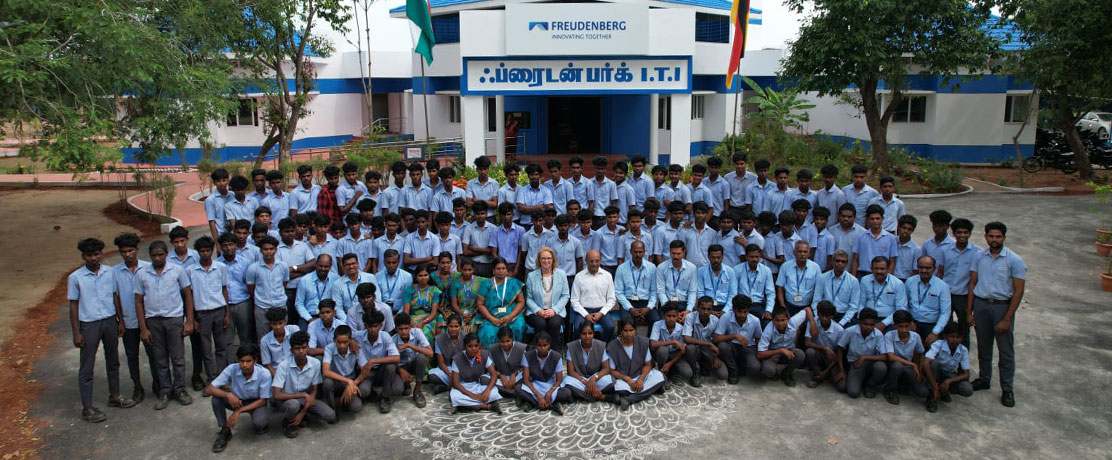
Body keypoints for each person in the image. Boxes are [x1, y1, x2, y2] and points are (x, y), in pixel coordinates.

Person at [69, 238, 137, 423]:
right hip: (89, 323)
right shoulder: (76, 278)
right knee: (87, 366)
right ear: (83, 256)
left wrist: (120, 320)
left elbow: (115, 296)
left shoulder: (110, 273)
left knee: (113, 360)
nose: (93, 258)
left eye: (96, 254)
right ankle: (87, 407)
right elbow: (73, 305)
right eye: (89, 255)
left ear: (102, 254)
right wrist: (76, 332)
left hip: (109, 321)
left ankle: (114, 395)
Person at [967, 221, 1026, 408]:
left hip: (1002, 308)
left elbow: (1018, 291)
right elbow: (972, 284)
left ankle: (1007, 389)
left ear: (1004, 238)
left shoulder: (1014, 260)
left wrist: (1007, 318)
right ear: (985, 237)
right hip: (982, 305)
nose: (994, 240)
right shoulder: (979, 256)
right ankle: (984, 379)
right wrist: (969, 311)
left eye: (998, 236)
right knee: (984, 347)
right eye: (991, 236)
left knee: (1005, 351)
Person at [134, 241, 195, 410]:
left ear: (166, 254)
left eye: (161, 254)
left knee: (178, 357)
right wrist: (143, 328)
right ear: (150, 256)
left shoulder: (177, 271)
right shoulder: (142, 274)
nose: (157, 258)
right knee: (160, 359)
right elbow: (138, 301)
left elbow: (187, 295)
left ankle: (180, 389)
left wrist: (189, 321)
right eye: (154, 255)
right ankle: (165, 391)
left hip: (174, 319)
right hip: (153, 321)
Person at [113, 233, 157, 404]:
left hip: (148, 320)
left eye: (130, 250)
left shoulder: (148, 268)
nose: (128, 254)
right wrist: (120, 321)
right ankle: (137, 386)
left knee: (154, 354)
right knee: (132, 356)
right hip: (128, 321)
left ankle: (158, 383)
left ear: (137, 250)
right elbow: (115, 297)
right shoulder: (115, 272)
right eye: (123, 251)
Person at [205, 344, 271, 452]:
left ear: (255, 360)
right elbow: (209, 389)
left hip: (256, 402)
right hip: (237, 400)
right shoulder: (232, 368)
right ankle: (225, 431)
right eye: (241, 361)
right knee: (216, 399)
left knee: (260, 424)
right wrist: (228, 395)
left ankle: (259, 422)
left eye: (248, 361)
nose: (244, 365)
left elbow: (263, 400)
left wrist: (238, 411)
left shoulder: (264, 374)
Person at [272, 331, 335, 438]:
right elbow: (277, 395)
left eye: (304, 347)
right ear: (291, 350)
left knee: (330, 415)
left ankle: (302, 414)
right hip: (287, 399)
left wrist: (303, 411)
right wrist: (303, 395)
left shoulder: (315, 363)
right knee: (293, 405)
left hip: (305, 399)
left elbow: (315, 389)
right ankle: (287, 423)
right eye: (297, 348)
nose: (301, 351)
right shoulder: (283, 365)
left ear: (308, 348)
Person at [188, 236, 231, 389]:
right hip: (202, 314)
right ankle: (211, 380)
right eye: (202, 251)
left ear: (212, 251)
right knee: (206, 349)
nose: (205, 254)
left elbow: (224, 290)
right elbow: (190, 296)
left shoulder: (220, 267)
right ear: (198, 252)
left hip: (219, 311)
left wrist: (227, 313)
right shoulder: (191, 270)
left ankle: (221, 378)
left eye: (208, 250)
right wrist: (193, 319)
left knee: (221, 346)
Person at [939, 218, 981, 347]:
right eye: (959, 232)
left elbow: (976, 279)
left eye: (965, 232)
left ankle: (962, 363)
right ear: (953, 233)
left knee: (963, 329)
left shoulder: (977, 253)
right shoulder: (945, 250)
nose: (962, 236)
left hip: (963, 296)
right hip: (946, 294)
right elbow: (940, 272)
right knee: (944, 326)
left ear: (970, 233)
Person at [607, 320, 665, 411]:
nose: (629, 334)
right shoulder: (612, 346)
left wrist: (641, 379)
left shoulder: (642, 342)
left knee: (659, 376)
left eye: (631, 330)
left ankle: (629, 399)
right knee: (615, 386)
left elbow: (648, 365)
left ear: (635, 331)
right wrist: (628, 379)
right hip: (623, 379)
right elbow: (612, 370)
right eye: (625, 331)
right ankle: (651, 390)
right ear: (620, 331)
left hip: (640, 376)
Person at [353, 309, 403, 413]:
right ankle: (375, 392)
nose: (372, 329)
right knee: (363, 392)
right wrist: (350, 342)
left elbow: (396, 357)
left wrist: (373, 361)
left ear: (380, 325)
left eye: (375, 326)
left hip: (381, 371)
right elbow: (345, 336)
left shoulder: (385, 336)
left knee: (397, 387)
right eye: (369, 326)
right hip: (367, 372)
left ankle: (385, 397)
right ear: (365, 326)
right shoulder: (358, 335)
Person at [836, 307, 890, 399]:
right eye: (865, 324)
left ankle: (870, 385)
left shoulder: (878, 335)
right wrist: (841, 370)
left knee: (881, 367)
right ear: (859, 322)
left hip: (870, 363)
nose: (868, 327)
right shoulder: (850, 331)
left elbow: (885, 356)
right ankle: (860, 381)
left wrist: (864, 357)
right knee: (853, 392)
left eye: (871, 325)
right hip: (855, 364)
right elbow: (839, 348)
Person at [245, 236, 289, 344]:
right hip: (262, 307)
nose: (268, 252)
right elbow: (251, 288)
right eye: (265, 249)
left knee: (283, 335)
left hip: (280, 305)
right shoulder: (253, 268)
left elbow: (284, 283)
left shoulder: (283, 266)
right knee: (263, 337)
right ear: (261, 250)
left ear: (276, 250)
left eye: (271, 249)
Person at [923, 322, 975, 412]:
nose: (954, 340)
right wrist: (934, 386)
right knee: (934, 363)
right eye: (951, 336)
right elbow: (926, 363)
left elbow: (966, 374)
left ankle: (943, 391)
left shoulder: (963, 350)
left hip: (948, 375)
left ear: (962, 338)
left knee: (967, 389)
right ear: (945, 337)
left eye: (958, 337)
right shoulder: (938, 344)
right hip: (935, 374)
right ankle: (932, 397)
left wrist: (949, 381)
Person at [525, 247, 570, 349]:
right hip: (536, 311)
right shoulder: (531, 276)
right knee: (540, 323)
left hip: (555, 310)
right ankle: (539, 351)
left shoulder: (561, 274)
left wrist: (554, 310)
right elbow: (528, 298)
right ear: (539, 260)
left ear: (553, 260)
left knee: (554, 324)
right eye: (543, 258)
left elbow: (565, 295)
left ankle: (554, 353)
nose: (546, 261)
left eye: (549, 258)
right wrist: (538, 311)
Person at [448, 332, 503, 414]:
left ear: (479, 346)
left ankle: (461, 406)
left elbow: (494, 374)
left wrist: (487, 391)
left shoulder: (484, 355)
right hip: (464, 387)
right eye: (470, 346)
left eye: (476, 346)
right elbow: (456, 383)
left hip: (478, 386)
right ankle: (487, 406)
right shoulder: (457, 359)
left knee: (494, 392)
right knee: (455, 396)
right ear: (465, 346)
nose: (473, 349)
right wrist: (472, 395)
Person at [516, 332, 570, 415]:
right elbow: (526, 380)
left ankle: (531, 403)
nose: (542, 348)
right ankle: (551, 405)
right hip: (535, 385)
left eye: (545, 345)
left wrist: (549, 393)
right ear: (535, 345)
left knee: (567, 393)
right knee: (518, 388)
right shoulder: (527, 356)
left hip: (550, 385)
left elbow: (559, 379)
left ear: (549, 345)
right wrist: (538, 395)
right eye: (539, 346)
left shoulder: (556, 356)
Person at [476, 258, 526, 346]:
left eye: (503, 268)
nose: (501, 271)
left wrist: (510, 316)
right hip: (491, 316)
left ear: (506, 270)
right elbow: (480, 304)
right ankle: (491, 357)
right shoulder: (486, 284)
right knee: (488, 332)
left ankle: (514, 354)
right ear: (493, 270)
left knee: (518, 326)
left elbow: (521, 301)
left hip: (512, 315)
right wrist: (492, 319)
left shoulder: (513, 282)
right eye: (498, 269)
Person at [883, 310, 929, 406]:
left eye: (906, 326)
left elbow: (920, 353)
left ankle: (904, 385)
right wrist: (912, 364)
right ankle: (890, 390)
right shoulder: (889, 335)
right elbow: (891, 356)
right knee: (897, 366)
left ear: (911, 324)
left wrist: (920, 371)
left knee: (923, 392)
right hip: (893, 366)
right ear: (895, 325)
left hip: (907, 368)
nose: (904, 330)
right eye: (901, 326)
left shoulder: (915, 337)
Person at [756, 306, 810, 386]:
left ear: (788, 319)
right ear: (773, 320)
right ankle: (775, 372)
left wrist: (812, 323)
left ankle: (786, 374)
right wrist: (780, 350)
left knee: (800, 355)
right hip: (773, 353)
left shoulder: (794, 321)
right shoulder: (768, 330)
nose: (780, 323)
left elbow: (807, 309)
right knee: (768, 370)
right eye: (777, 320)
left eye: (783, 320)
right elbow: (760, 354)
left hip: (789, 351)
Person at [217, 233, 255, 346]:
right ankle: (228, 362)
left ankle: (247, 362)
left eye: (231, 244)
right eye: (225, 245)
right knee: (227, 339)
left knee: (246, 336)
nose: (228, 248)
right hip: (224, 304)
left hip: (243, 302)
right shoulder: (216, 264)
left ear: (235, 245)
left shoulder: (245, 263)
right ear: (220, 247)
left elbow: (249, 284)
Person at [714, 295, 762, 384]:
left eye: (745, 312)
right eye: (739, 312)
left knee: (755, 367)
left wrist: (756, 353)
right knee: (723, 346)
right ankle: (733, 371)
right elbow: (716, 338)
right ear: (733, 309)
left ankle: (740, 366)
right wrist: (734, 336)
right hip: (731, 347)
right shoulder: (726, 317)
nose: (742, 315)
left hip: (748, 347)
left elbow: (758, 338)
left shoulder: (755, 321)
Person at [571, 250, 617, 342]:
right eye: (591, 261)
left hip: (601, 310)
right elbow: (574, 300)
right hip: (584, 310)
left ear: (600, 261)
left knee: (610, 327)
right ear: (586, 261)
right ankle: (581, 349)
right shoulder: (579, 277)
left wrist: (601, 313)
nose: (594, 264)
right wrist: (586, 315)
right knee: (577, 328)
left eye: (597, 261)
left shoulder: (607, 276)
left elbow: (612, 299)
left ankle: (602, 347)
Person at [321, 324, 367, 415]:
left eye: (345, 342)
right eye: (339, 342)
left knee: (356, 406)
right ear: (334, 340)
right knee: (327, 383)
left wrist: (353, 384)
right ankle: (331, 408)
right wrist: (348, 381)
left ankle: (340, 402)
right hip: (337, 381)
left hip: (351, 380)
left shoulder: (356, 348)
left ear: (350, 340)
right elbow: (325, 372)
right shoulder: (329, 348)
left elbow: (365, 371)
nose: (342, 345)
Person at [563, 322, 614, 402]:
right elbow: (571, 371)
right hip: (580, 379)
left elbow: (606, 368)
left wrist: (593, 379)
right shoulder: (571, 347)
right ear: (579, 334)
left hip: (596, 378)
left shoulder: (600, 345)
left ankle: (584, 395)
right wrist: (587, 383)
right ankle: (600, 396)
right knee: (567, 382)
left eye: (590, 333)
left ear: (593, 334)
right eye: (584, 333)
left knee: (610, 381)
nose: (587, 337)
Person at [905, 255, 951, 346]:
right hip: (912, 323)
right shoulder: (909, 282)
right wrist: (908, 321)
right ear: (917, 267)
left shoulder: (942, 286)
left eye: (928, 268)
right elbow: (904, 304)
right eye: (921, 267)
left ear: (934, 268)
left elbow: (945, 312)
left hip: (932, 325)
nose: (924, 270)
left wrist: (935, 332)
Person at [681, 297, 727, 386]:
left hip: (709, 351)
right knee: (690, 348)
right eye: (703, 309)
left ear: (712, 310)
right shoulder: (690, 317)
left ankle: (706, 367)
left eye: (709, 309)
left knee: (723, 375)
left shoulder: (715, 320)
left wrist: (716, 357)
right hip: (695, 350)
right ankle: (696, 371)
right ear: (697, 308)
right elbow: (687, 338)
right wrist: (708, 344)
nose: (706, 312)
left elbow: (717, 341)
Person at [392, 313, 433, 408]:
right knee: (397, 390)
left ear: (410, 327)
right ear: (396, 329)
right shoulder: (393, 340)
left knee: (421, 357)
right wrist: (400, 370)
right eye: (400, 329)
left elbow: (430, 353)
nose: (404, 332)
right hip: (401, 367)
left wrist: (409, 345)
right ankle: (406, 383)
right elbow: (390, 360)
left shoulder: (417, 332)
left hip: (414, 364)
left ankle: (417, 390)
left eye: (406, 328)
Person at [615, 241, 658, 326]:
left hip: (646, 302)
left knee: (656, 321)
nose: (638, 254)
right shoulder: (621, 268)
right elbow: (618, 292)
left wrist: (649, 308)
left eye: (640, 252)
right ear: (630, 251)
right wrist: (630, 308)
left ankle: (650, 340)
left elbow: (654, 291)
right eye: (635, 252)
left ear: (644, 252)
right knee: (627, 322)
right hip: (628, 302)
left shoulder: (652, 268)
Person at [813, 250, 862, 325]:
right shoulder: (822, 278)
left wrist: (842, 323)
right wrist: (819, 318)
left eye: (843, 262)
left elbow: (853, 307)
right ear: (832, 262)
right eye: (837, 261)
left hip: (842, 316)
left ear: (847, 264)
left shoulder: (853, 281)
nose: (840, 263)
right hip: (824, 315)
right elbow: (816, 301)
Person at [859, 256, 908, 331]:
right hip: (867, 319)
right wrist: (862, 320)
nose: (879, 271)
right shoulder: (865, 281)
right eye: (876, 268)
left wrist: (884, 323)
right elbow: (861, 303)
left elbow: (900, 308)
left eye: (882, 269)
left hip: (889, 320)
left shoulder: (897, 284)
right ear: (871, 269)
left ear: (888, 269)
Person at [803, 301, 845, 389]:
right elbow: (807, 343)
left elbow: (839, 354)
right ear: (818, 314)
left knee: (842, 387)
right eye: (822, 315)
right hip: (819, 353)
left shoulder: (839, 330)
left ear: (832, 316)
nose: (824, 318)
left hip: (832, 359)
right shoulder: (813, 322)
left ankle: (825, 374)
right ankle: (817, 376)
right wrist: (825, 348)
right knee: (810, 352)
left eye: (827, 316)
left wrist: (826, 371)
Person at [649, 304, 691, 388]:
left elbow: (682, 350)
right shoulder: (657, 325)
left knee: (687, 373)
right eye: (668, 316)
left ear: (677, 316)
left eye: (674, 316)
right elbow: (653, 344)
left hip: (674, 355)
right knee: (662, 350)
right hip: (661, 354)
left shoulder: (681, 328)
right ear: (664, 316)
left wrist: (670, 363)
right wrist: (673, 341)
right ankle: (662, 374)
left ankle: (671, 371)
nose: (671, 319)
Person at [776, 240, 821, 316]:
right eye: (800, 251)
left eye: (805, 252)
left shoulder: (815, 267)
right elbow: (780, 287)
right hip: (789, 306)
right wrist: (783, 307)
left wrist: (814, 308)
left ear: (809, 254)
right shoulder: (785, 266)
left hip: (808, 307)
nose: (802, 254)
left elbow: (819, 289)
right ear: (794, 252)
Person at [296, 254, 340, 329]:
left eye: (326, 266)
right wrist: (310, 319)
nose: (323, 269)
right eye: (320, 266)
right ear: (316, 265)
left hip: (330, 316)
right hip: (309, 316)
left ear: (330, 266)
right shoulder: (305, 280)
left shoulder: (336, 279)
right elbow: (299, 303)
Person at [734, 244, 775, 322]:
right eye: (751, 257)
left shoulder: (766, 271)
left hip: (758, 305)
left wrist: (768, 310)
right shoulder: (737, 269)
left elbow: (770, 293)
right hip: (741, 304)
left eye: (757, 257)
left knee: (767, 322)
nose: (754, 259)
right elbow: (733, 291)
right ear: (746, 257)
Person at [655, 240, 698, 315]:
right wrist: (668, 309)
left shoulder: (692, 268)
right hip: (667, 304)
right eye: (673, 253)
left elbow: (692, 291)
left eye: (678, 254)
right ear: (670, 252)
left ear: (684, 253)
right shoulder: (661, 267)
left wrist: (688, 310)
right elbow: (661, 291)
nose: (676, 256)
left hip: (684, 304)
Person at [403, 263, 442, 340]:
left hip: (428, 319)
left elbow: (433, 313)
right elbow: (406, 312)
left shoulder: (435, 290)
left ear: (429, 276)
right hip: (412, 319)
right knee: (412, 332)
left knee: (426, 332)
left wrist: (423, 323)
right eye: (420, 275)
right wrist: (412, 323)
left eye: (425, 275)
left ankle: (428, 351)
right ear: (416, 277)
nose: (423, 278)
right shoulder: (409, 290)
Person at [428, 314, 466, 391]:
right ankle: (456, 385)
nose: (453, 329)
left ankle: (445, 387)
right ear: (447, 326)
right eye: (451, 326)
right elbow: (441, 363)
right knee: (432, 376)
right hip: (446, 369)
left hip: (461, 369)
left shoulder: (466, 337)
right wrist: (450, 375)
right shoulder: (440, 339)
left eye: (456, 326)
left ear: (460, 327)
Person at [696, 244, 736, 313]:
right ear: (708, 257)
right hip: (707, 307)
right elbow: (700, 293)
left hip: (725, 306)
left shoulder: (730, 271)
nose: (716, 260)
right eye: (713, 257)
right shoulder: (701, 271)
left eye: (718, 257)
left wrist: (725, 311)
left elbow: (732, 294)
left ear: (722, 257)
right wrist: (709, 310)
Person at [259, 308, 299, 375]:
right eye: (274, 324)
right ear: (270, 324)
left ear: (285, 322)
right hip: (277, 371)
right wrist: (278, 379)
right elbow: (268, 364)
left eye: (280, 323)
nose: (278, 327)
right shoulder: (265, 341)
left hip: (296, 368)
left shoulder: (294, 330)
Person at [449, 259, 485, 333]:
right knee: (459, 328)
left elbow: (482, 300)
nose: (467, 272)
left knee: (476, 328)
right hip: (460, 312)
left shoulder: (480, 281)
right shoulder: (455, 283)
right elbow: (454, 304)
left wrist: (473, 313)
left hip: (476, 312)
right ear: (461, 270)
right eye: (465, 270)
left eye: (470, 270)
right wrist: (463, 314)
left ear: (473, 270)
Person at [490, 326, 527, 398]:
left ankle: (506, 391)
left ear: (512, 339)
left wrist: (514, 374)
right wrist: (500, 375)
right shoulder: (493, 349)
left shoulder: (520, 348)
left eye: (508, 341)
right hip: (500, 379)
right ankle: (514, 392)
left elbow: (524, 367)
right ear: (498, 340)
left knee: (529, 376)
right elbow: (491, 368)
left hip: (517, 378)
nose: (505, 344)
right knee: (484, 379)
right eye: (502, 342)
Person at [920, 210, 954, 276]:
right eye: (935, 225)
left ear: (947, 226)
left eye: (941, 226)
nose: (937, 229)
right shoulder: (927, 244)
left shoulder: (953, 245)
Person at [468, 156, 500, 221]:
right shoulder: (470, 183)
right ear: (476, 169)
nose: (483, 172)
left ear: (488, 169)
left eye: (485, 169)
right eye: (480, 169)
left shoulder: (494, 184)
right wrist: (489, 202)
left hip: (490, 217)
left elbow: (495, 204)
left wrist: (477, 200)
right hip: (475, 217)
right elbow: (468, 204)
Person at [206, 168, 232, 239]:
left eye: (224, 180)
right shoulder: (210, 200)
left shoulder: (232, 195)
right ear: (214, 182)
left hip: (234, 234)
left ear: (228, 180)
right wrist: (217, 243)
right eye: (218, 181)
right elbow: (212, 223)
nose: (222, 183)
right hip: (221, 235)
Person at [893, 215, 920, 280]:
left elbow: (915, 270)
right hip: (891, 278)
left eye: (909, 229)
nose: (906, 231)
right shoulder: (891, 242)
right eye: (904, 228)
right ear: (899, 228)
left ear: (912, 231)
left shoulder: (916, 249)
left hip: (906, 280)